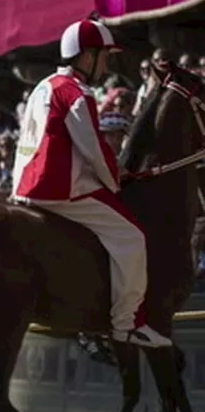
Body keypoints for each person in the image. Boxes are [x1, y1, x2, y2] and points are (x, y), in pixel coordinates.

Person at [10, 18, 172, 348]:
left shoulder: (44, 85)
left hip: (24, 186)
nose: (107, 64)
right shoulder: (76, 93)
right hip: (57, 189)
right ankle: (126, 323)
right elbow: (95, 148)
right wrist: (115, 179)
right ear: (87, 58)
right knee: (131, 236)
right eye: (105, 57)